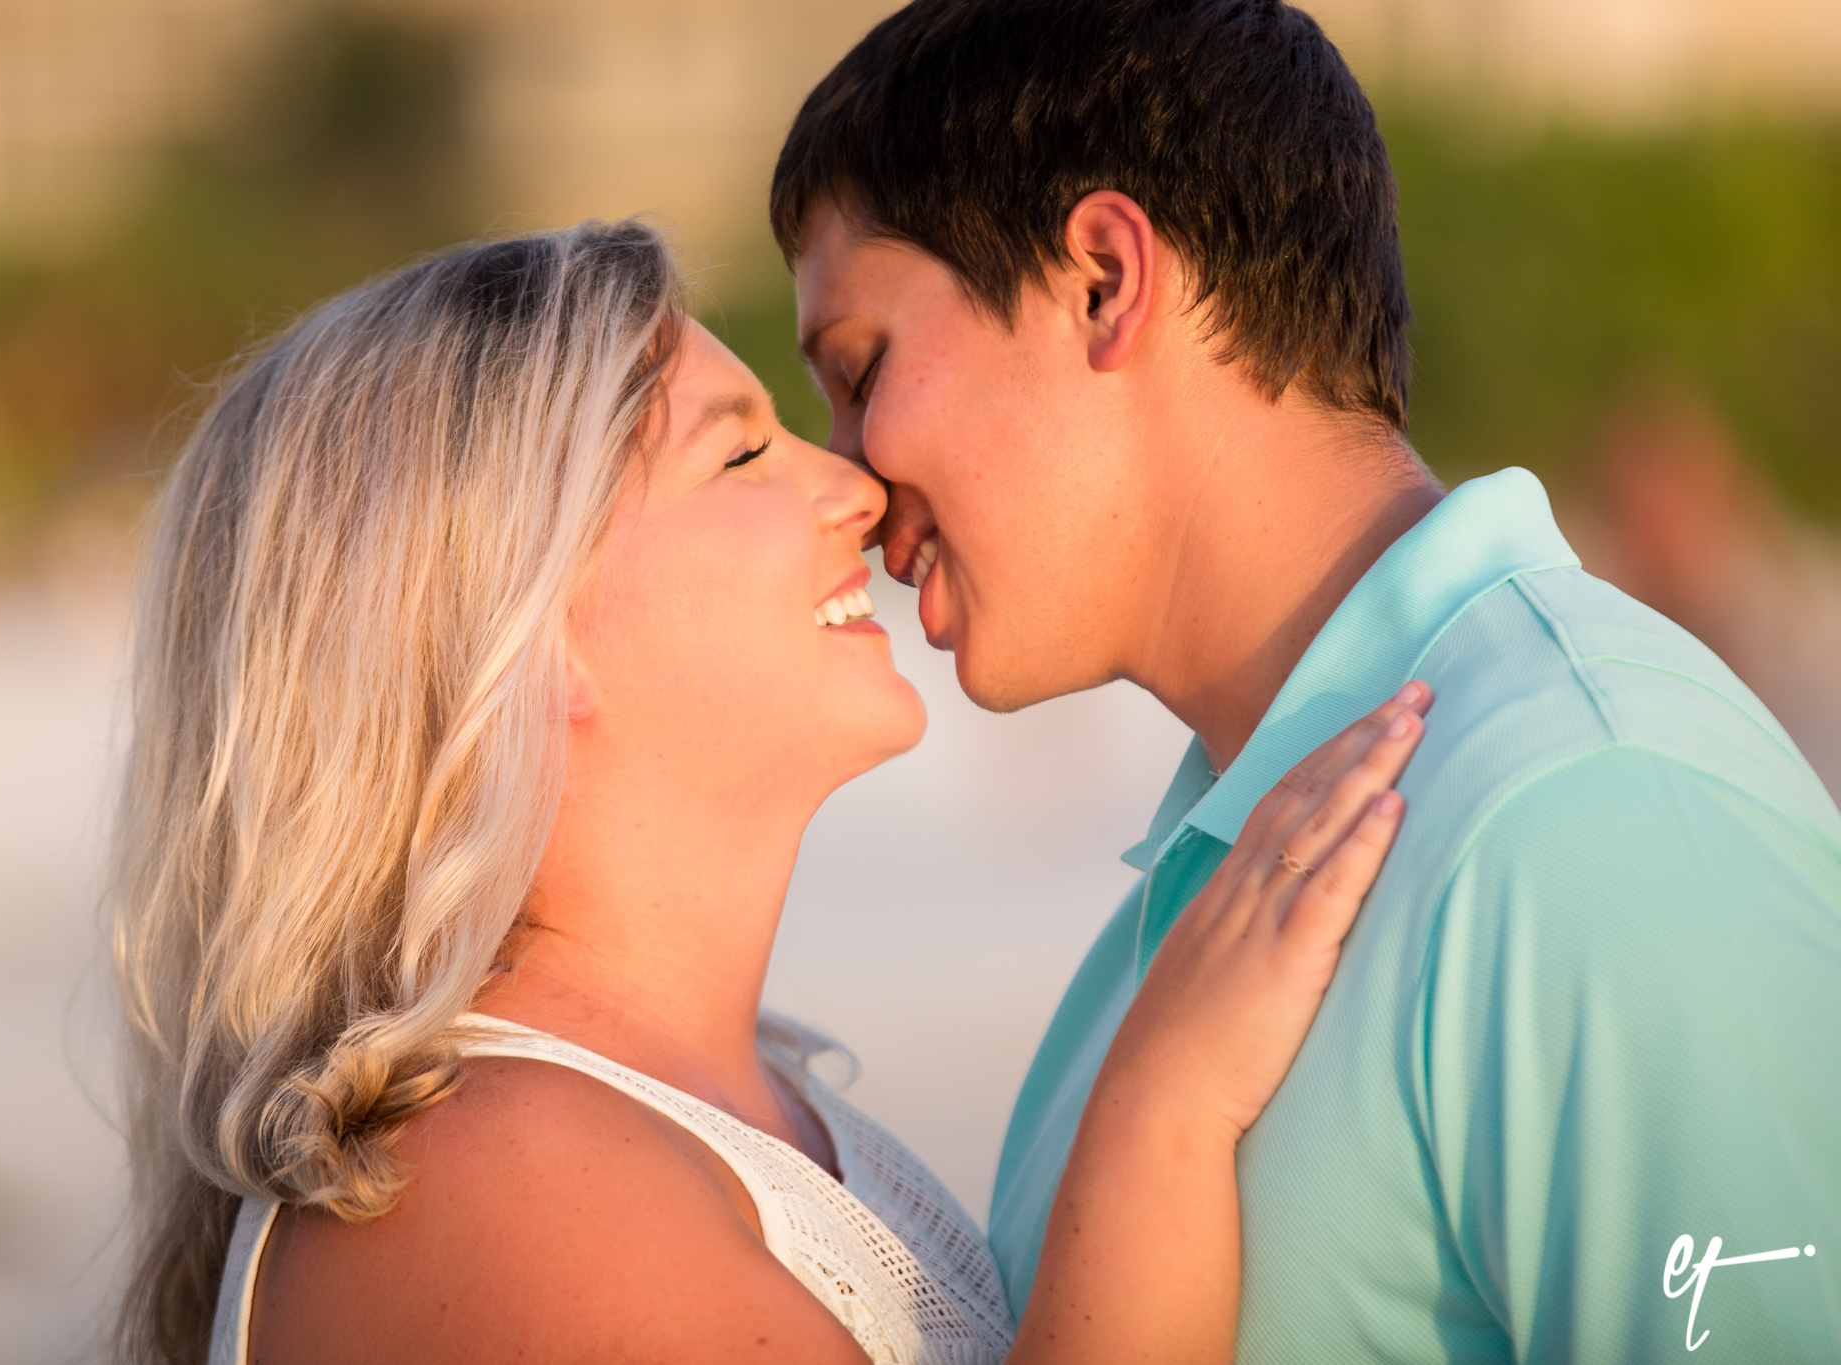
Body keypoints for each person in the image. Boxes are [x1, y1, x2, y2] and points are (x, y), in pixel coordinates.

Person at [110, 221, 1428, 1365]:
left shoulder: (732, 1105)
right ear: (524, 624)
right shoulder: (495, 1176)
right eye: (739, 455)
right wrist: (1164, 1109)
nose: (857, 487)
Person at [769, 0, 1841, 1359]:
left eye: (860, 371)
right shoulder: (1222, 879)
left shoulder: (1585, 808)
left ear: (1104, 278)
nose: (851, 484)